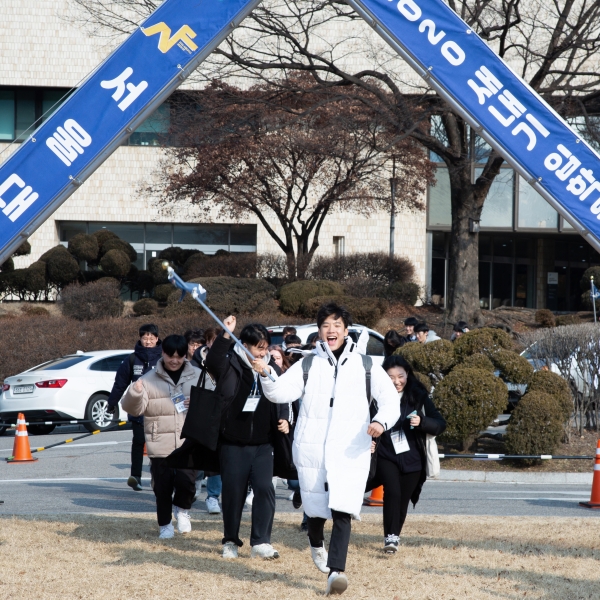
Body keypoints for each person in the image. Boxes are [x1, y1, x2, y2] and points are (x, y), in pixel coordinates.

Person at [253, 303, 400, 596]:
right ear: (319, 331)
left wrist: (380, 422)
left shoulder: (366, 365)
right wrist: (267, 373)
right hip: (313, 452)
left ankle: (336, 572)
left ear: (346, 330)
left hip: (350, 451)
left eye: (336, 325)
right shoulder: (308, 364)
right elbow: (281, 392)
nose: (330, 330)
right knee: (316, 513)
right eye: (325, 326)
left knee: (343, 510)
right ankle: (316, 544)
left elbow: (390, 401)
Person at [206, 318, 290, 560]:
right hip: (233, 443)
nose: (263, 353)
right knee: (233, 493)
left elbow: (282, 393)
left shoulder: (270, 368)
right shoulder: (230, 363)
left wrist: (284, 417)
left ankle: (261, 541)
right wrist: (225, 334)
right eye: (258, 348)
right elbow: (211, 362)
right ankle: (230, 540)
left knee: (265, 489)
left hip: (264, 443)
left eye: (266, 348)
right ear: (243, 345)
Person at [121, 335, 201, 539]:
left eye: (179, 356)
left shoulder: (198, 376)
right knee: (162, 487)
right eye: (170, 355)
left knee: (187, 483)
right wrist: (135, 393)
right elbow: (132, 409)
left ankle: (182, 510)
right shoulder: (147, 379)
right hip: (159, 441)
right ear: (162, 353)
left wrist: (199, 404)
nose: (174, 360)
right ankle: (164, 524)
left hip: (188, 440)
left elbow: (214, 403)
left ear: (185, 355)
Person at [376, 355, 446, 553]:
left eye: (401, 376)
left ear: (408, 374)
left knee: (403, 498)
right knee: (392, 491)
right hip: (386, 453)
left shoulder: (418, 396)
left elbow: (440, 424)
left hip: (413, 458)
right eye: (391, 377)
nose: (397, 381)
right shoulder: (376, 397)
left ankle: (394, 536)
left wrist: (422, 422)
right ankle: (389, 536)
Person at [107, 323, 162, 492]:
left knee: (156, 446)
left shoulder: (163, 358)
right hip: (138, 410)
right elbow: (120, 383)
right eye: (145, 337)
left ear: (157, 339)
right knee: (138, 442)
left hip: (158, 410)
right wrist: (111, 402)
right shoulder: (132, 359)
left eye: (151, 338)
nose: (148, 341)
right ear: (140, 338)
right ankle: (135, 477)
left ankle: (157, 478)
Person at [190, 332, 223, 515]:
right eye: (214, 340)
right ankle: (194, 484)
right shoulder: (196, 362)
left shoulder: (230, 360)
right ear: (208, 342)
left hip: (222, 415)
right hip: (200, 413)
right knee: (200, 456)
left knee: (216, 459)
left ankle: (212, 497)